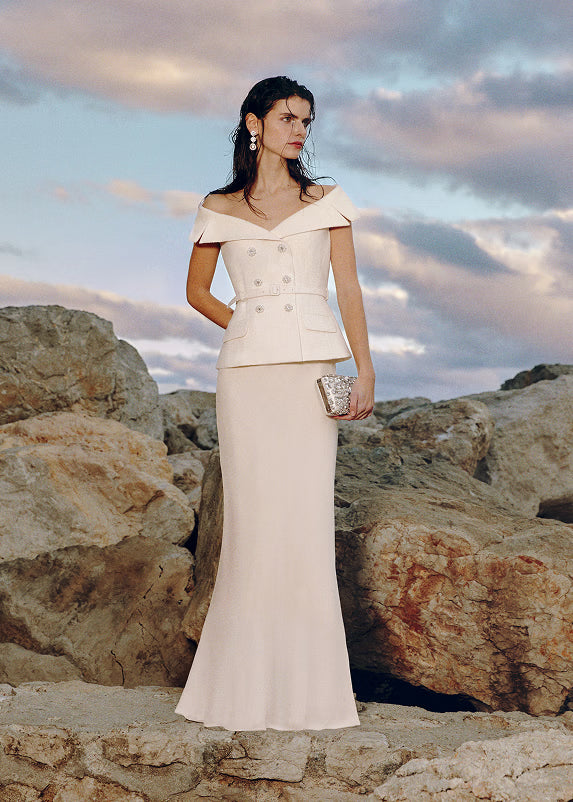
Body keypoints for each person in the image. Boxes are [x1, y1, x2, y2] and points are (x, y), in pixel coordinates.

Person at [175, 76, 375, 731]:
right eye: (288, 117)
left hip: (313, 368)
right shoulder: (217, 205)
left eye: (307, 121)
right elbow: (197, 291)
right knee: (254, 527)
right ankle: (234, 695)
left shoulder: (326, 200)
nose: (299, 130)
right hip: (246, 374)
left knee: (304, 522)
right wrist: (249, 321)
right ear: (253, 121)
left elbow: (347, 289)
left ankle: (312, 697)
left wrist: (363, 368)